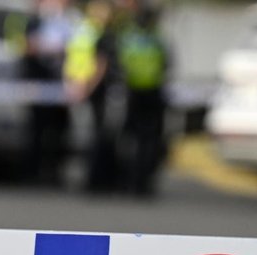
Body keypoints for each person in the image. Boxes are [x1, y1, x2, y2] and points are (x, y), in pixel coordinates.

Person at [64, 0, 117, 193]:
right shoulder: (98, 32)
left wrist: (74, 84)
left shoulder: (82, 29)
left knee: (91, 136)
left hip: (82, 88)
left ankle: (94, 178)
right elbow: (99, 64)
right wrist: (87, 87)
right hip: (91, 90)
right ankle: (96, 179)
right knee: (97, 136)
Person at [117, 5, 168, 196]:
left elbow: (120, 64)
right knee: (149, 141)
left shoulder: (128, 38)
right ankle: (144, 183)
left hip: (132, 94)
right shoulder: (157, 39)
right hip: (152, 93)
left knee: (130, 139)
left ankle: (128, 180)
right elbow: (167, 64)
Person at [21, 0, 74, 184]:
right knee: (37, 130)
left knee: (59, 130)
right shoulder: (35, 22)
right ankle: (32, 172)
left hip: (60, 86)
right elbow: (29, 48)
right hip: (39, 85)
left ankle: (53, 171)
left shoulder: (66, 22)